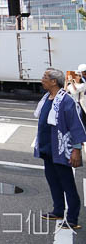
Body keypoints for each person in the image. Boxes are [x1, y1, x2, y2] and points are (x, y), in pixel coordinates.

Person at [35, 68, 86, 230]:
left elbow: (76, 125)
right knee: (53, 181)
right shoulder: (47, 97)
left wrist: (76, 149)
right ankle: (58, 210)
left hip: (61, 149)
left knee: (67, 183)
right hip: (47, 147)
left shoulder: (66, 100)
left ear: (53, 81)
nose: (42, 80)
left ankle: (72, 218)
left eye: (45, 77)